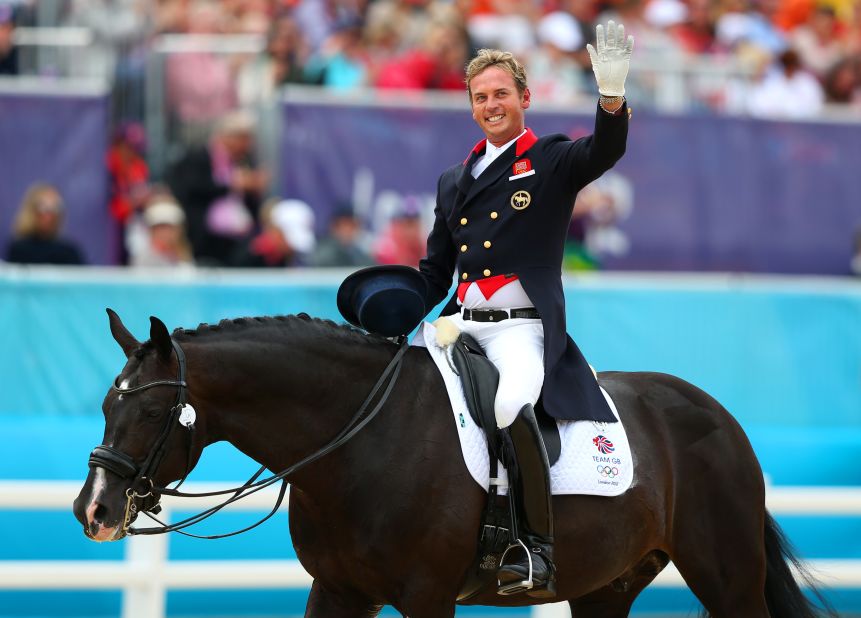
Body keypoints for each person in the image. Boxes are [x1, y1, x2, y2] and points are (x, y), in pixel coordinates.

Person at [415, 22, 633, 597]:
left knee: (512, 403)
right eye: (481, 97)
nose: (492, 105)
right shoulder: (452, 181)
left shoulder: (552, 159)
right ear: (471, 107)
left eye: (501, 94)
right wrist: (388, 308)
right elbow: (436, 272)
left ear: (524, 99)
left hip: (519, 331)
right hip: (460, 325)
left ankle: (533, 546)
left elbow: (604, 150)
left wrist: (610, 101)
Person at [5, 183, 85, 265]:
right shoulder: (19, 250)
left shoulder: (68, 252)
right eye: (43, 207)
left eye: (55, 208)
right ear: (32, 211)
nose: (49, 215)